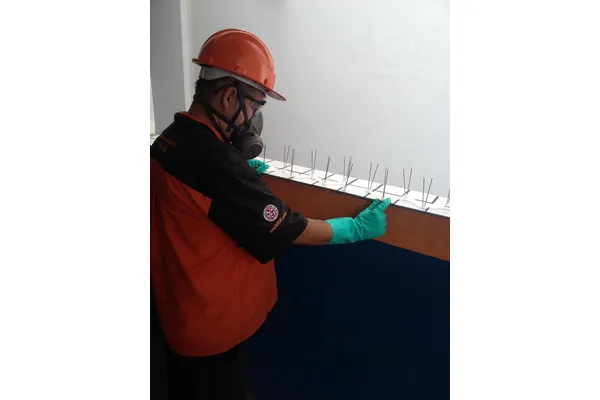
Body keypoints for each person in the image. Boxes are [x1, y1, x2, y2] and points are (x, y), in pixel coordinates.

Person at [150, 28, 392, 400]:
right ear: (229, 96)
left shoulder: (171, 138)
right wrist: (352, 229)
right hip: (211, 330)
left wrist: (237, 177)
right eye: (256, 105)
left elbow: (201, 196)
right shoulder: (216, 164)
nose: (254, 119)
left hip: (179, 313)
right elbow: (288, 228)